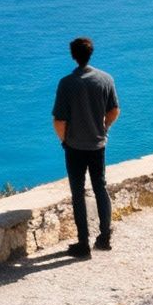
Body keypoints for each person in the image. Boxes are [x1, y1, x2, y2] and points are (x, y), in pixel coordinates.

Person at [52, 36, 118, 259]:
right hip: (98, 145)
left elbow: (59, 121)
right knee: (100, 187)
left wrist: (65, 141)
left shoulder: (67, 83)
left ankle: (83, 244)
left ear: (73, 55)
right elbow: (114, 111)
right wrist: (104, 128)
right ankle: (105, 237)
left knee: (78, 193)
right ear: (91, 53)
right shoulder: (105, 79)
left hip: (75, 147)